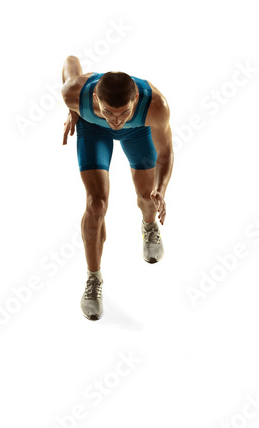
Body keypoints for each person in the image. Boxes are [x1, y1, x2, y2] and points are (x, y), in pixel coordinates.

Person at [61, 55, 174, 321]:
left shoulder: (156, 105)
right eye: (109, 112)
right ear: (97, 100)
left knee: (148, 196)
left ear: (135, 97)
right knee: (96, 204)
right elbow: (70, 61)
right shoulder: (74, 93)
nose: (116, 120)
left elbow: (166, 153)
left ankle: (149, 226)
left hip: (138, 132)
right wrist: (73, 112)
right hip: (92, 129)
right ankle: (93, 279)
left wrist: (162, 189)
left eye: (124, 112)